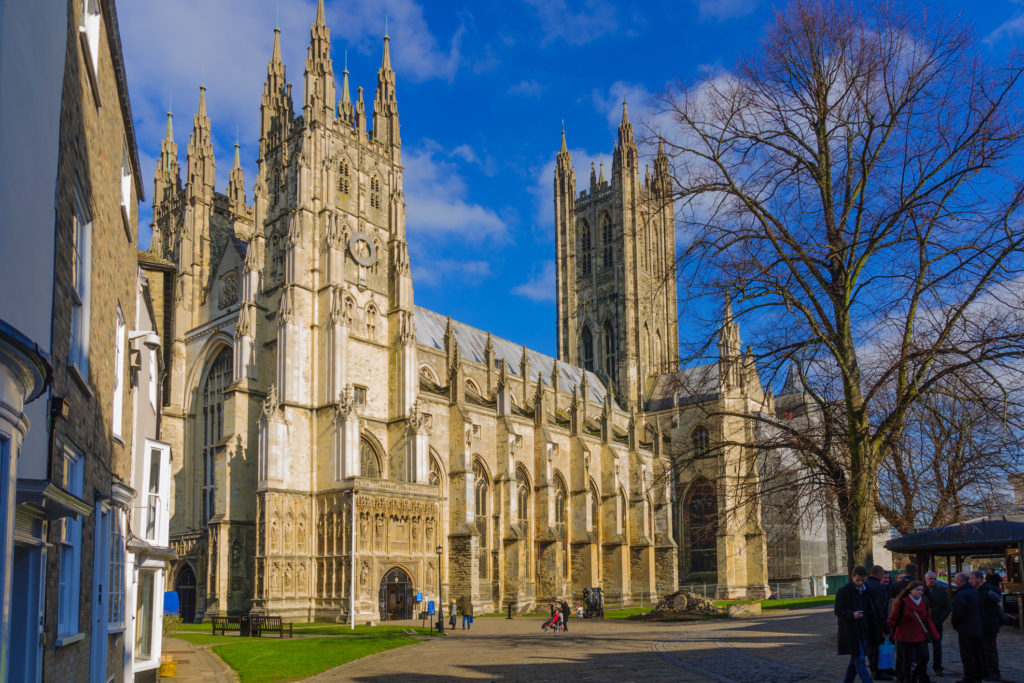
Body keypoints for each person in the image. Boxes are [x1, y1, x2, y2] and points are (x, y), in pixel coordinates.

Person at [887, 580, 940, 682]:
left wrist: (935, 635)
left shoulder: (923, 601)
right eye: (917, 590)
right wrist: (885, 630)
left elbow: (927, 620)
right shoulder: (901, 602)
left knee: (925, 657)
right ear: (910, 590)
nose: (920, 592)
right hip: (904, 636)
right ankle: (907, 679)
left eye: (921, 590)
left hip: (920, 635)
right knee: (906, 660)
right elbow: (893, 618)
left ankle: (915, 674)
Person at [836, 566, 878, 683]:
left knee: (855, 661)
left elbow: (874, 609)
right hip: (851, 631)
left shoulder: (867, 590)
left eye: (863, 580)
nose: (860, 583)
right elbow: (838, 610)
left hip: (865, 630)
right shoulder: (843, 591)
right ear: (852, 577)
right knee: (859, 660)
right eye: (858, 580)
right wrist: (852, 614)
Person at [951, 571, 984, 683]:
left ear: (960, 581)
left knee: (967, 654)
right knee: (977, 653)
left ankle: (969, 677)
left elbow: (958, 612)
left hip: (966, 628)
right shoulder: (974, 592)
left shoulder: (961, 594)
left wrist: (955, 623)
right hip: (977, 627)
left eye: (956, 580)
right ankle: (978, 676)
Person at [978, 572, 1012, 682]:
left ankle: (992, 672)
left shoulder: (985, 592)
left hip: (988, 624)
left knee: (989, 649)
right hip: (988, 624)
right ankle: (989, 671)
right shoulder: (988, 591)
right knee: (987, 649)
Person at [866, 566, 893, 680]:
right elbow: (880, 608)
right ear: (879, 574)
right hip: (876, 623)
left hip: (866, 622)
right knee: (878, 648)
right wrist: (884, 627)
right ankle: (878, 672)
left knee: (872, 648)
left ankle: (874, 670)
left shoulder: (865, 585)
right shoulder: (879, 587)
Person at [924, 571, 951, 677]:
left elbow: (947, 607)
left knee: (937, 647)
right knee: (922, 647)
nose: (932, 581)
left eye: (934, 579)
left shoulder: (941, 591)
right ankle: (921, 667)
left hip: (936, 623)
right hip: (923, 624)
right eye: (930, 579)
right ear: (925, 579)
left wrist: (940, 619)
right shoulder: (920, 590)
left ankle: (937, 667)